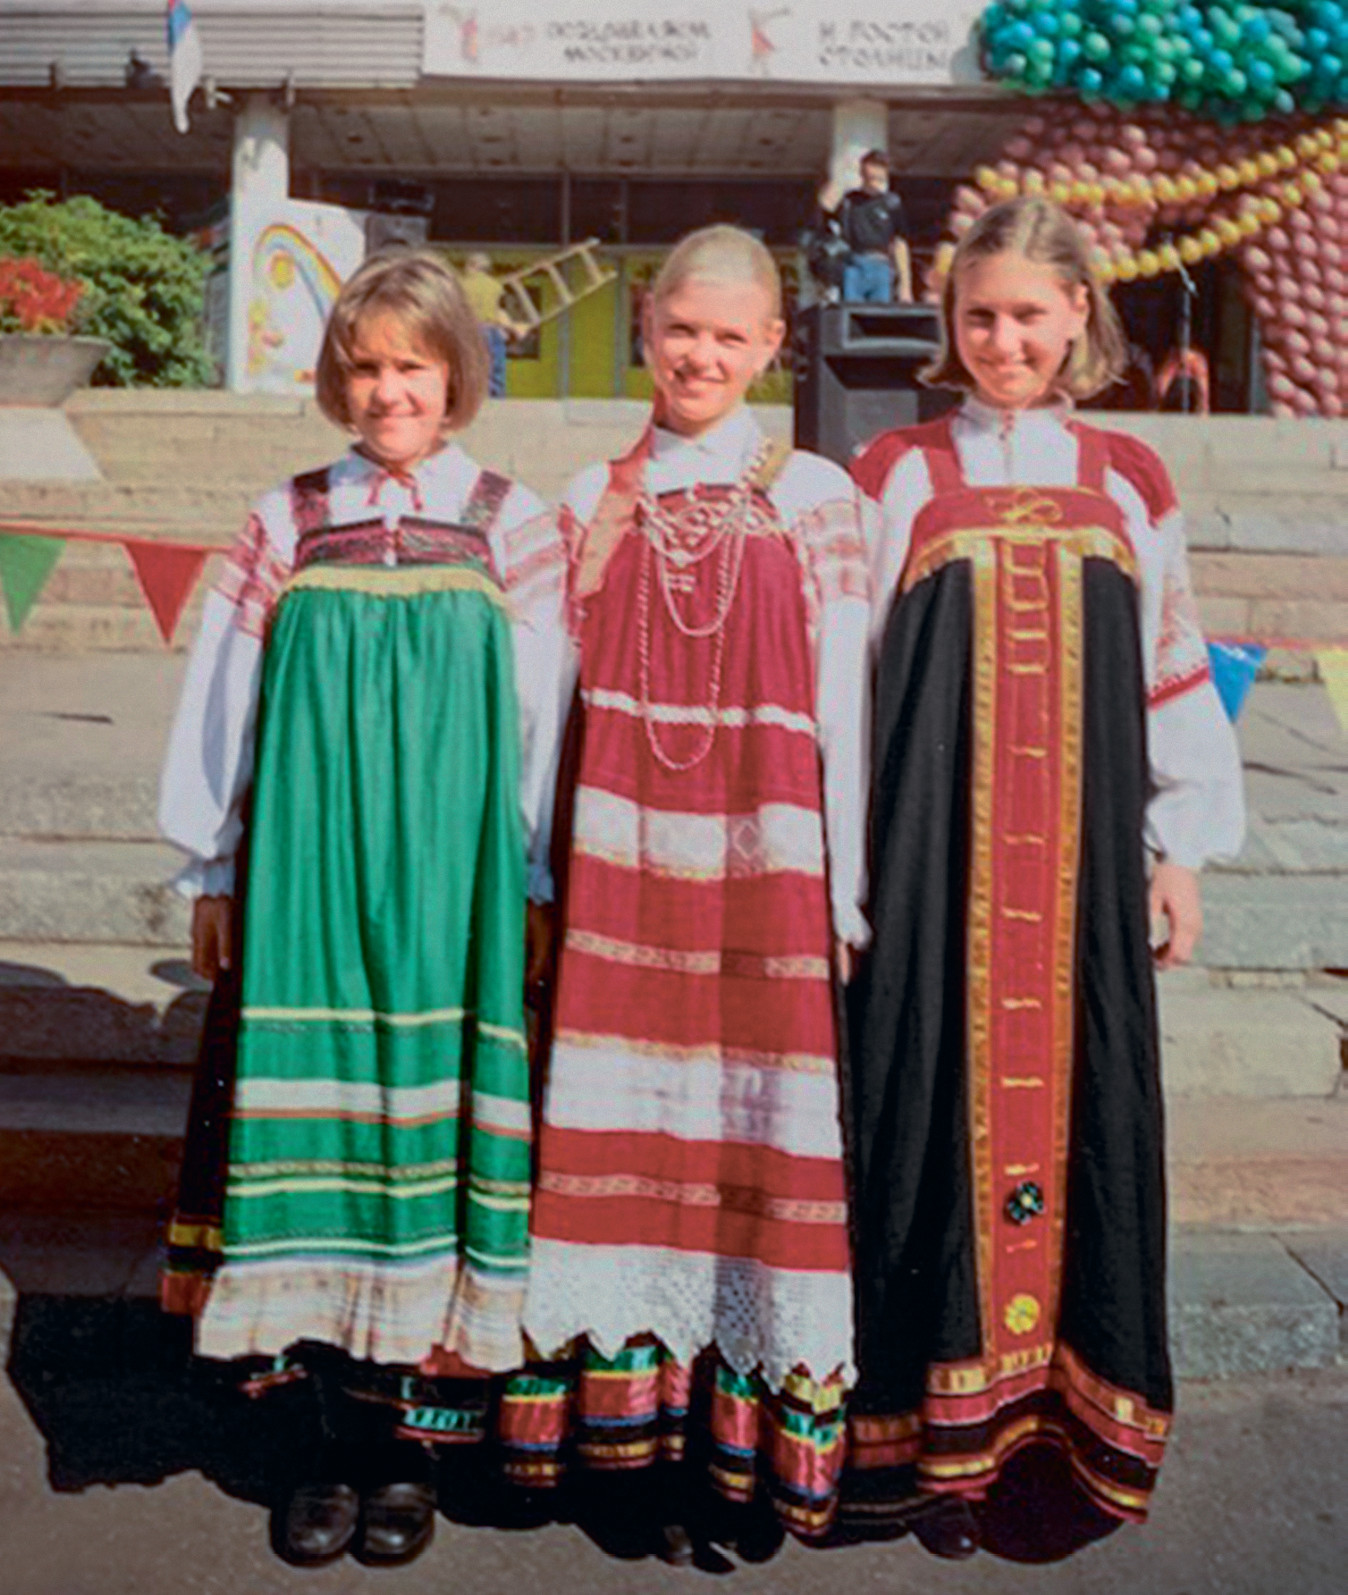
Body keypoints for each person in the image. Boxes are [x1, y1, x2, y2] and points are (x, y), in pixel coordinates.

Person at [843, 198, 1245, 1559]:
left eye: (1028, 313)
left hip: (1081, 889)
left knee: (1087, 1131)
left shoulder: (1129, 475)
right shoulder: (896, 470)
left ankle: (1050, 1435)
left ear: (1080, 311)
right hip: (929, 880)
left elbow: (1172, 662)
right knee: (921, 1125)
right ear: (948, 323)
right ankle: (929, 1448)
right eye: (979, 316)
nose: (1004, 340)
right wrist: (845, 876)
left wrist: (1181, 849)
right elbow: (853, 685)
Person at [158, 249, 569, 1567]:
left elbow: (542, 716)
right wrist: (212, 864)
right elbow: (224, 699)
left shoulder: (512, 521)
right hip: (308, 875)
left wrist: (534, 877)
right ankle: (323, 1440)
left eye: (414, 365)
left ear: (458, 374)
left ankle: (408, 1453)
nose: (390, 390)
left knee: (426, 1143)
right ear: (339, 379)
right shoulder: (285, 518)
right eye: (368, 366)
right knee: (323, 1128)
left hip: (454, 882)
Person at [496, 224, 871, 1561]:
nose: (699, 356)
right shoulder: (587, 497)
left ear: (771, 344)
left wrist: (846, 884)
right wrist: (534, 865)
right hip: (621, 866)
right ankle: (623, 1451)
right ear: (644, 327)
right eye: (679, 330)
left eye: (728, 336)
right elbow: (543, 698)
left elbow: (846, 699)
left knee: (751, 1141)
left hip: (767, 870)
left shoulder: (817, 494)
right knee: (627, 1138)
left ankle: (737, 1455)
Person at [820, 149, 913, 305]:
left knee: (879, 314)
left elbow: (899, 243)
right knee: (852, 311)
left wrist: (905, 285)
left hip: (881, 266)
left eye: (879, 176)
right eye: (871, 175)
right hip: (854, 264)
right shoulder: (850, 200)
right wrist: (841, 176)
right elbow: (826, 205)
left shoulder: (891, 203)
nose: (874, 181)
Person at [459, 250, 529, 398]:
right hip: (491, 329)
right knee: (496, 368)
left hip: (469, 331)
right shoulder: (495, 286)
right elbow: (498, 311)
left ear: (472, 266)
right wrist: (512, 328)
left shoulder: (461, 285)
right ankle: (497, 399)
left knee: (469, 367)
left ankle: (468, 398)